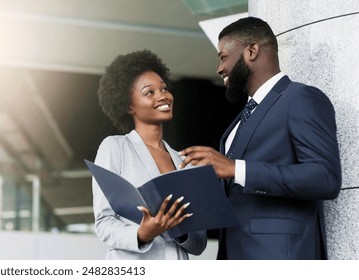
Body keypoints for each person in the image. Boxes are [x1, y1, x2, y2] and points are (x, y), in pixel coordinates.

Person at [179, 17, 342, 259]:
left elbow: (325, 177)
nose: (219, 68)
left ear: (252, 51)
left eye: (223, 57)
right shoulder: (236, 124)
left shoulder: (301, 98)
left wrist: (236, 168)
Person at [92, 49, 207, 259]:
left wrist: (179, 232)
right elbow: (103, 223)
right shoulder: (115, 148)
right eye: (149, 92)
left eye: (164, 88)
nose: (163, 96)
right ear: (128, 106)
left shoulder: (185, 162)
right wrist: (142, 234)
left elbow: (199, 244)